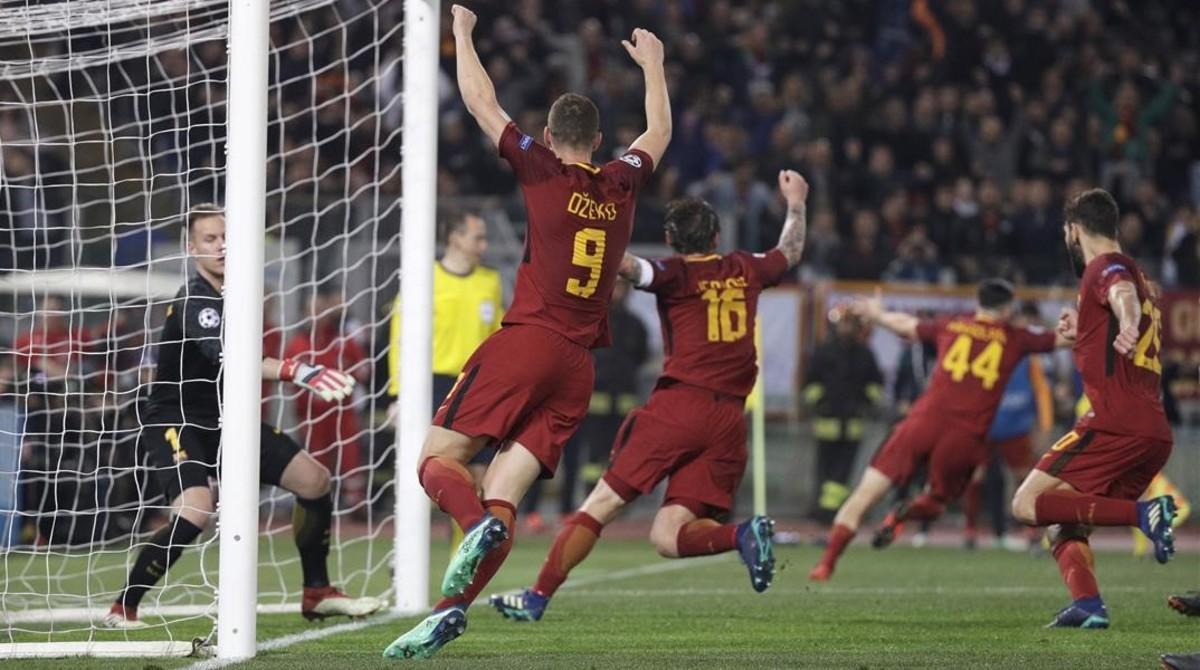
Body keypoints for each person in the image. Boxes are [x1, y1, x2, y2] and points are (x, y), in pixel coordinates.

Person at [382, 5, 670, 659]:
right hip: (578, 366)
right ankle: (449, 611)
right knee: (503, 494)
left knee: (435, 459)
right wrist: (654, 65)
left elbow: (482, 102)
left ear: (550, 132)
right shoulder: (622, 183)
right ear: (599, 142)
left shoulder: (542, 171)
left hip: (530, 341)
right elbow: (659, 130)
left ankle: (471, 526)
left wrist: (461, 33)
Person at [490, 174, 806, 622]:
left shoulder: (674, 273)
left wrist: (574, 230)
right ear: (716, 235)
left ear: (670, 240)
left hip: (680, 408)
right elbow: (790, 252)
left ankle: (537, 597)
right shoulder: (746, 268)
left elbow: (628, 267)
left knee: (599, 505)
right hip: (730, 420)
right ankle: (741, 535)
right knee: (667, 536)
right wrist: (796, 203)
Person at [103, 204, 383, 628]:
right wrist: (299, 370)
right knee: (197, 510)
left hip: (226, 420)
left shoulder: (241, 295)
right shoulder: (196, 298)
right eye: (210, 239)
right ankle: (123, 606)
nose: (221, 247)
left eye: (226, 237)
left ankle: (317, 591)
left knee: (314, 480)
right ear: (191, 247)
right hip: (177, 420)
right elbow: (234, 359)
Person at [809, 278, 1069, 582]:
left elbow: (906, 324)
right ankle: (903, 514)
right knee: (936, 503)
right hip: (965, 435)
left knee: (865, 493)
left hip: (923, 421)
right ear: (1008, 308)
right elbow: (1065, 338)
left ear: (978, 305)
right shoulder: (1016, 338)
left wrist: (878, 315)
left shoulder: (952, 325)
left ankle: (826, 564)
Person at [1010, 188, 1176, 629]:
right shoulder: (1141, 275)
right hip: (1152, 431)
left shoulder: (1107, 267)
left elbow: (1120, 294)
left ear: (1073, 230)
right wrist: (1081, 325)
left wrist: (1127, 320)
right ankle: (1089, 606)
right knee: (1063, 520)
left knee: (1027, 504)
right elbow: (1119, 305)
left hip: (1114, 423)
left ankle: (1146, 513)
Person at [387, 209, 503, 546]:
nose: (483, 244)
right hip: (433, 385)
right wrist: (397, 394)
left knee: (475, 481)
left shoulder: (490, 282)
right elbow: (399, 336)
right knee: (427, 478)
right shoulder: (423, 280)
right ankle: (404, 553)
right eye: (477, 236)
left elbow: (498, 336)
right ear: (454, 238)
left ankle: (461, 562)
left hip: (477, 387)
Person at [962, 301, 1053, 550]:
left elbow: (1042, 391)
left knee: (1026, 479)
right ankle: (970, 530)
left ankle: (1031, 533)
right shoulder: (980, 346)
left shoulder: (1027, 354)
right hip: (985, 425)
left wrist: (1044, 426)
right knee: (975, 476)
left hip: (1016, 425)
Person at [284, 286, 371, 509]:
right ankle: (318, 502)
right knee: (316, 460)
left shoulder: (342, 339)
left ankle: (356, 505)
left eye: (322, 309)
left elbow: (364, 369)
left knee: (350, 458)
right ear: (305, 313)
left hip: (342, 410)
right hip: (311, 413)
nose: (318, 314)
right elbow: (284, 375)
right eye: (313, 309)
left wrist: (346, 376)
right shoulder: (298, 343)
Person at [802, 308, 882, 526]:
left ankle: (830, 511)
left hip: (853, 423)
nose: (846, 328)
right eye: (843, 324)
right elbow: (810, 382)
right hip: (827, 422)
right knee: (825, 469)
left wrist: (866, 401)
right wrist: (820, 402)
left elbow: (876, 384)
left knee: (843, 470)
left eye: (850, 324)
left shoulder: (865, 354)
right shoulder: (823, 352)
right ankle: (826, 510)